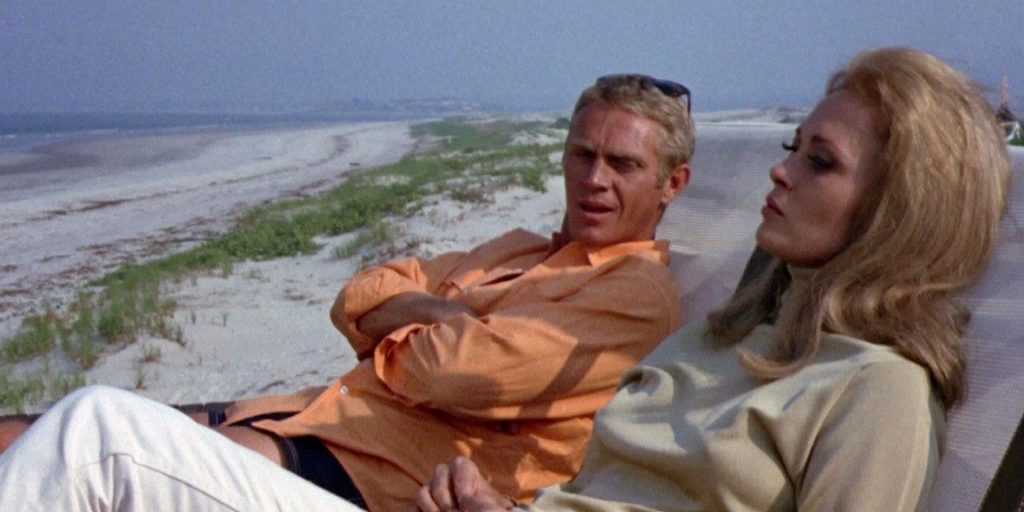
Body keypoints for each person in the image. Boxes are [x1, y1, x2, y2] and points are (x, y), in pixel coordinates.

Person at [0, 74, 695, 511]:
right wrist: (443, 313)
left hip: (371, 485)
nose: (594, 179)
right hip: (310, 428)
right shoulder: (514, 250)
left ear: (672, 184)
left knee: (94, 429)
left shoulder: (634, 294)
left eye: (622, 164)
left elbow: (451, 369)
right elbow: (360, 293)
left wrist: (410, 324)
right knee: (26, 433)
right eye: (582, 155)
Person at [415, 47, 1011, 511]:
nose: (780, 170)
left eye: (820, 161)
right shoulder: (717, 337)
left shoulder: (876, 391)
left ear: (897, 209)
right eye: (793, 147)